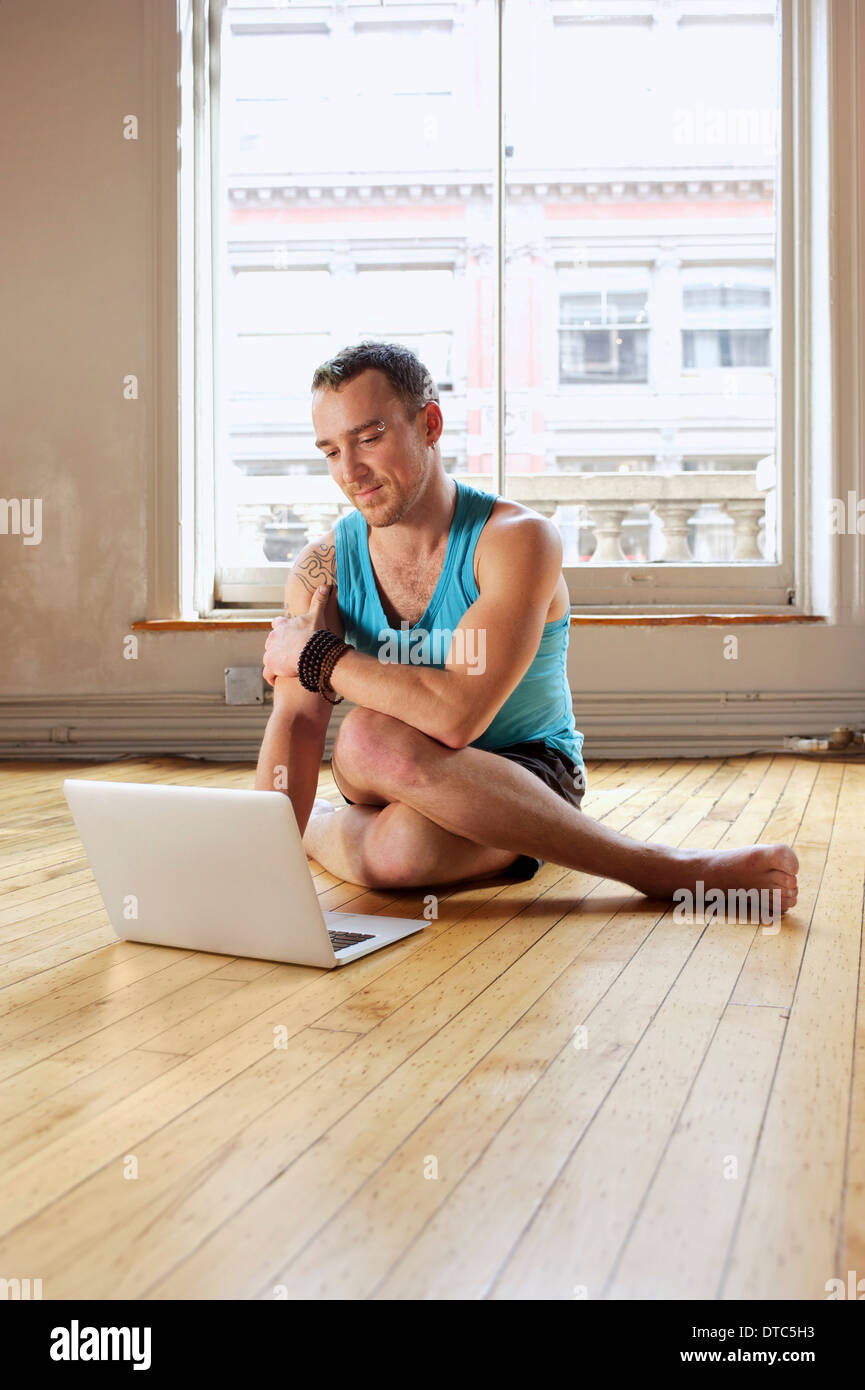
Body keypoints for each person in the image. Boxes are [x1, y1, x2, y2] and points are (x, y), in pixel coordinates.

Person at [255, 342, 798, 913]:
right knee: (365, 741)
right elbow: (297, 721)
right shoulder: (323, 569)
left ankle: (321, 829)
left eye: (368, 439)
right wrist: (262, 863)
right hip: (382, 770)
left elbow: (457, 717)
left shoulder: (517, 540)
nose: (350, 471)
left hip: (527, 770)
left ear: (430, 424)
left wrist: (317, 657)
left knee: (403, 851)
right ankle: (662, 869)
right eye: (331, 451)